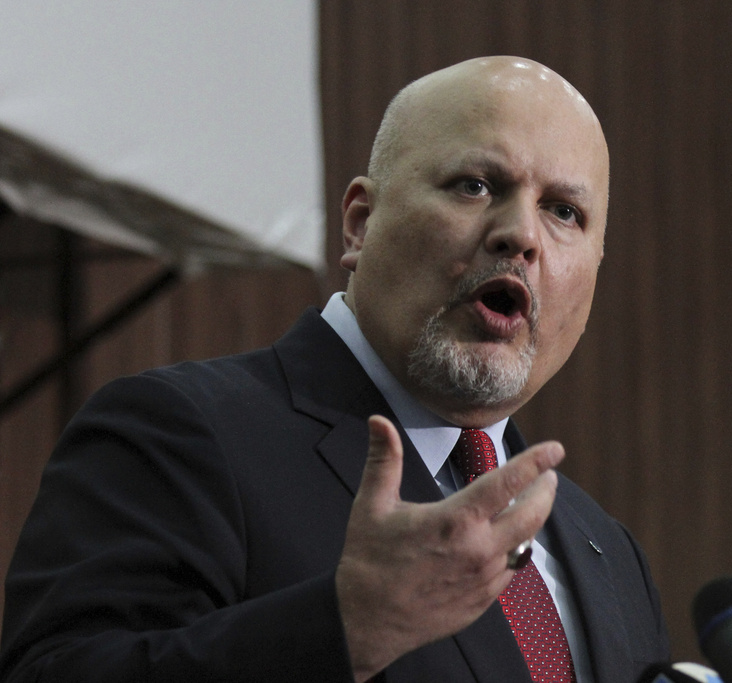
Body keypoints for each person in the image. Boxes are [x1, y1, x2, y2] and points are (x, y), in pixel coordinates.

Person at [0, 56, 670, 682]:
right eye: (475, 184)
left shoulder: (608, 553)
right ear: (359, 223)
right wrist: (346, 627)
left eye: (564, 212)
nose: (521, 234)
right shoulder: (179, 434)